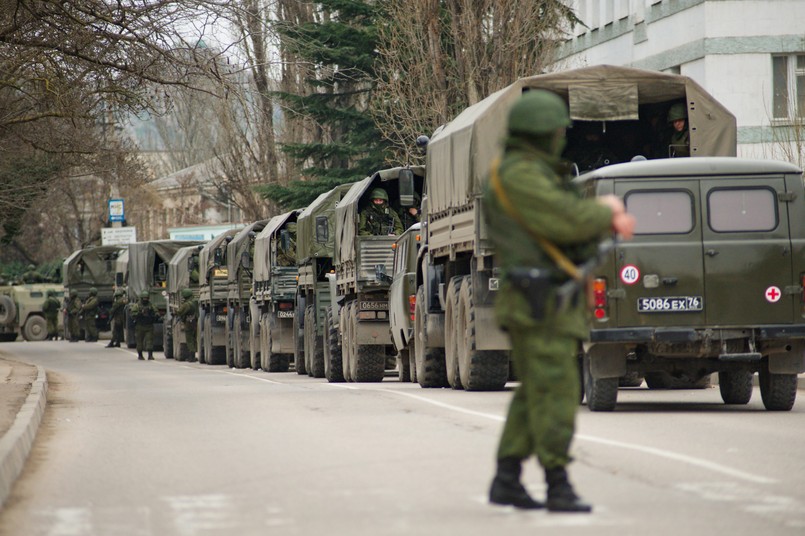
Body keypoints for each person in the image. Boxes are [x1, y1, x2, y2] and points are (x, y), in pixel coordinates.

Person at [483, 90, 635, 513]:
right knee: (558, 391)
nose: (560, 139)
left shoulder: (537, 172)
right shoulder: (519, 175)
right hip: (539, 301)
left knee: (537, 391)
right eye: (555, 132)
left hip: (549, 299)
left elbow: (566, 221)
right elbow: (564, 218)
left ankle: (508, 477)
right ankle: (557, 481)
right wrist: (606, 211)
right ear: (540, 134)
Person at [130, 290, 159, 360]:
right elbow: (132, 315)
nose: (145, 300)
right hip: (139, 326)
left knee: (150, 341)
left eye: (147, 298)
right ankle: (140, 355)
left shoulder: (151, 305)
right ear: (141, 298)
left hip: (149, 325)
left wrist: (155, 315)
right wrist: (139, 314)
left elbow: (156, 312)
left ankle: (150, 355)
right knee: (139, 342)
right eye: (144, 298)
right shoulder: (137, 306)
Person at [176, 288, 198, 362]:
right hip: (195, 321)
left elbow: (179, 312)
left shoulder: (186, 304)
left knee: (189, 340)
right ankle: (194, 356)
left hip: (188, 323)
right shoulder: (195, 302)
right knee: (194, 339)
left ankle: (191, 357)